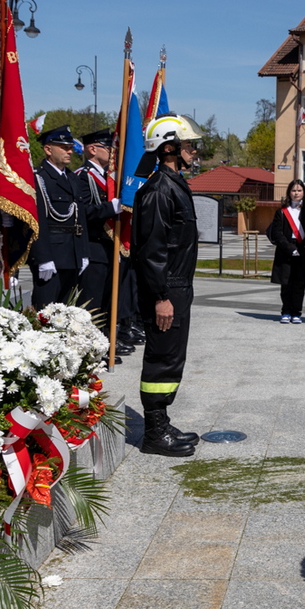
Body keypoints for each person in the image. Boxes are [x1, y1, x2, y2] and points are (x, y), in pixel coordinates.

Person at [133, 114, 203, 456]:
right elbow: (151, 250)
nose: (193, 150)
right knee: (161, 358)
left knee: (172, 357)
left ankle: (162, 420)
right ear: (169, 147)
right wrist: (161, 297)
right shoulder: (159, 190)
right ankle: (154, 433)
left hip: (177, 287)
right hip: (166, 290)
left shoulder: (174, 183)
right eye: (188, 144)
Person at [75, 129, 133, 359]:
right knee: (93, 301)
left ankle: (107, 343)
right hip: (93, 245)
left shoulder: (110, 178)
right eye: (109, 148)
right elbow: (83, 212)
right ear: (92, 149)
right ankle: (92, 349)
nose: (112, 153)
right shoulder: (83, 176)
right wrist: (111, 208)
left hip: (110, 245)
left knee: (110, 299)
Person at [30, 125, 88, 309]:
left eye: (70, 147)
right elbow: (37, 221)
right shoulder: (39, 179)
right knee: (45, 311)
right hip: (52, 255)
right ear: (48, 149)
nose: (70, 152)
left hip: (72, 254)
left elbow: (80, 218)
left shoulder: (72, 178)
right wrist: (43, 257)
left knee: (67, 312)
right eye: (64, 148)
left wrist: (83, 252)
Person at [268, 179, 305, 323]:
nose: (296, 193)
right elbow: (277, 233)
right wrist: (289, 248)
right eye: (293, 190)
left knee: (299, 283)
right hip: (286, 249)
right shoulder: (281, 212)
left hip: (302, 248)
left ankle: (296, 313)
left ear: (304, 193)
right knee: (286, 283)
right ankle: (285, 312)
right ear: (289, 192)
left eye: (299, 190)